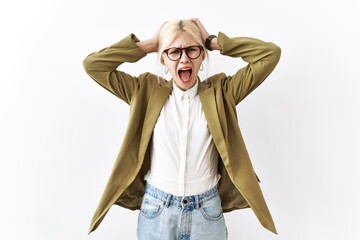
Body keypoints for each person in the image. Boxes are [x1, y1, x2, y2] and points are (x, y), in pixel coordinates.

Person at [83, 18, 281, 240]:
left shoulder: (222, 92)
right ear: (164, 59)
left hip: (206, 213)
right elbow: (94, 65)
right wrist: (148, 45)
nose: (184, 58)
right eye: (174, 52)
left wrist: (213, 41)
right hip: (156, 212)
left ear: (202, 55)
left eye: (192, 50)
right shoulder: (144, 90)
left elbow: (270, 54)